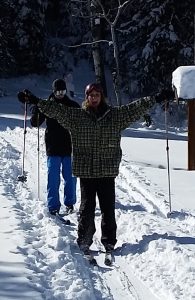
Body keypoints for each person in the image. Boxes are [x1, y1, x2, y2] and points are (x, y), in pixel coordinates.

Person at [18, 83, 173, 255]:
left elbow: (135, 108)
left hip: (107, 170)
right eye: (91, 95)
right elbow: (56, 110)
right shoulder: (77, 116)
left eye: (97, 95)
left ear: (102, 97)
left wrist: (157, 98)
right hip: (87, 171)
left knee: (108, 208)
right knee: (87, 208)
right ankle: (84, 240)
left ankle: (109, 241)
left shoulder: (115, 116)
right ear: (86, 97)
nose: (94, 98)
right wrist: (35, 101)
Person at [30, 79, 80, 215]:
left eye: (63, 91)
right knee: (53, 178)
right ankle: (53, 206)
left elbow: (82, 119)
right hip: (53, 147)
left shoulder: (71, 105)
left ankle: (70, 203)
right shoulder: (47, 106)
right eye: (57, 91)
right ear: (53, 91)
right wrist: (36, 111)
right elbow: (35, 123)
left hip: (69, 147)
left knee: (70, 177)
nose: (60, 94)